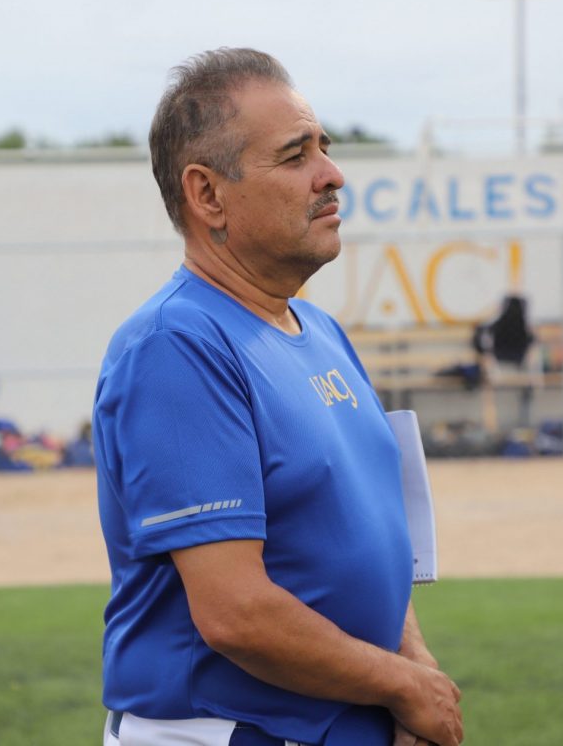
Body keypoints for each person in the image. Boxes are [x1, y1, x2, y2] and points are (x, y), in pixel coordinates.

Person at [92, 48, 464, 746]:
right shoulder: (177, 346)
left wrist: (411, 660)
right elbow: (236, 613)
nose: (332, 175)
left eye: (324, 147)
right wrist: (402, 685)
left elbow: (369, 534)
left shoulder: (320, 331)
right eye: (296, 156)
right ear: (208, 195)